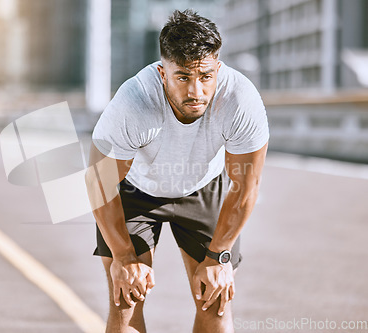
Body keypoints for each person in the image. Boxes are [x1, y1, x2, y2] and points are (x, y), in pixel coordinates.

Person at [85, 9, 269, 333]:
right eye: (183, 77)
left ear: (218, 69)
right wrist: (124, 257)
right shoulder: (134, 104)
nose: (196, 91)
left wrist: (219, 257)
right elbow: (99, 183)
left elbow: (245, 188)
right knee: (126, 300)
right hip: (134, 190)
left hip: (203, 187)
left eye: (206, 76)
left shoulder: (240, 100)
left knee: (216, 304)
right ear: (162, 73)